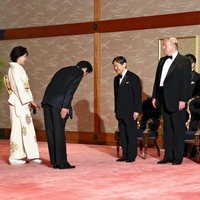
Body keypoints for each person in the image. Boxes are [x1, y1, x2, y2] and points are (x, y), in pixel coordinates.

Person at [41, 60, 93, 169]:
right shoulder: (78, 72)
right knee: (59, 133)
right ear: (85, 70)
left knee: (51, 133)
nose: (84, 76)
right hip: (59, 104)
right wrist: (65, 106)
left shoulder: (63, 70)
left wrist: (44, 102)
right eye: (86, 74)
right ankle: (62, 162)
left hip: (47, 102)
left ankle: (54, 162)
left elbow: (51, 85)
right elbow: (70, 90)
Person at [152, 37, 191, 165]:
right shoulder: (162, 60)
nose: (164, 48)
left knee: (178, 129)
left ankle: (177, 157)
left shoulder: (184, 61)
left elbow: (186, 83)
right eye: (163, 46)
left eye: (165, 45)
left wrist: (183, 100)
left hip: (177, 100)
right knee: (167, 129)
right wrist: (155, 96)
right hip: (163, 98)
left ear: (173, 46)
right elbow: (157, 81)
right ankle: (168, 156)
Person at [5, 46, 42, 165]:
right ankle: (15, 157)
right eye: (25, 56)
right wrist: (30, 101)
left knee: (27, 130)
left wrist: (29, 100)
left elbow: (25, 88)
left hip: (22, 103)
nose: (26, 59)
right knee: (17, 130)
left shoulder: (18, 68)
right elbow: (19, 88)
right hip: (17, 103)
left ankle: (31, 155)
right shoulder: (15, 69)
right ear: (19, 56)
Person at [113, 56, 142, 162]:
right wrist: (116, 110)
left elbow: (137, 96)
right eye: (114, 66)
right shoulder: (116, 79)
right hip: (120, 112)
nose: (116, 68)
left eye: (117, 65)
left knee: (131, 134)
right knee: (123, 135)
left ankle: (131, 156)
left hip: (131, 112)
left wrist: (137, 110)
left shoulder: (134, 78)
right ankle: (124, 155)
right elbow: (116, 96)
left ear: (124, 64)